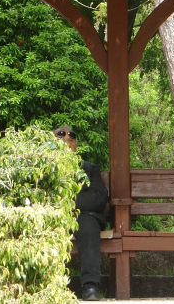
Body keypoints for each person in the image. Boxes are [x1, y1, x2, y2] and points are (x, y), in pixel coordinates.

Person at [54, 126, 108, 301]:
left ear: (76, 146)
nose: (67, 145)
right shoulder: (45, 168)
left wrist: (66, 200)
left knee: (89, 226)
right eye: (62, 142)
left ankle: (90, 286)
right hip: (54, 216)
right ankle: (50, 285)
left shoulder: (89, 169)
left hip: (83, 216)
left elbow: (99, 198)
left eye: (71, 142)